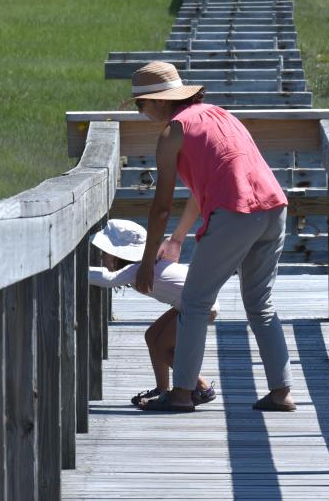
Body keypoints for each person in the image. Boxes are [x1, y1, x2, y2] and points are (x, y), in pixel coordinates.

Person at [132, 61, 295, 413]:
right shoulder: (221, 115)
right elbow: (203, 188)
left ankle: (181, 395)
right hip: (274, 207)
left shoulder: (172, 132)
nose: (140, 112)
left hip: (237, 215)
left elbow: (161, 205)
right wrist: (177, 238)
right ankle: (282, 392)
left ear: (159, 101)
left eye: (140, 104)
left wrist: (147, 263)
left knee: (194, 302)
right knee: (260, 304)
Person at [89, 219, 219, 407]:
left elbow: (109, 279)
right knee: (152, 336)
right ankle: (162, 389)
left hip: (201, 306)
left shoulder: (137, 268)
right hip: (195, 302)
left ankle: (203, 387)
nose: (102, 257)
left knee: (162, 347)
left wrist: (78, 271)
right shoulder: (145, 264)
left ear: (119, 254)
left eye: (106, 253)